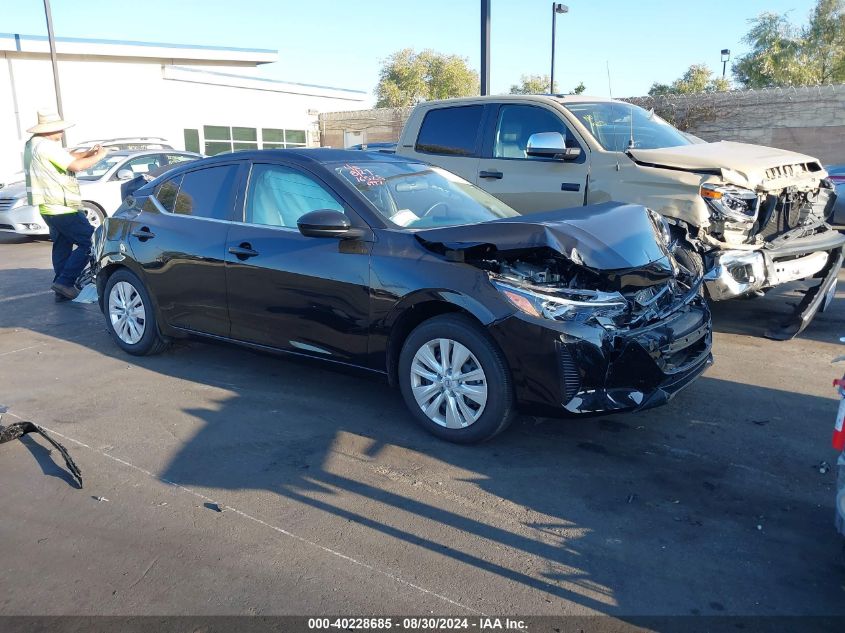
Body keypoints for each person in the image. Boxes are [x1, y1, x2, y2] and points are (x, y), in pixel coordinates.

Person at [24, 110, 108, 301]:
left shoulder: (33, 144)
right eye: (59, 129)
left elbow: (68, 156)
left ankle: (60, 285)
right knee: (92, 241)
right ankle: (65, 282)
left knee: (62, 246)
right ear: (49, 130)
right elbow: (76, 166)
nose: (62, 132)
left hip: (48, 207)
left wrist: (88, 153)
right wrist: (100, 155)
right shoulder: (46, 146)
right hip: (62, 207)